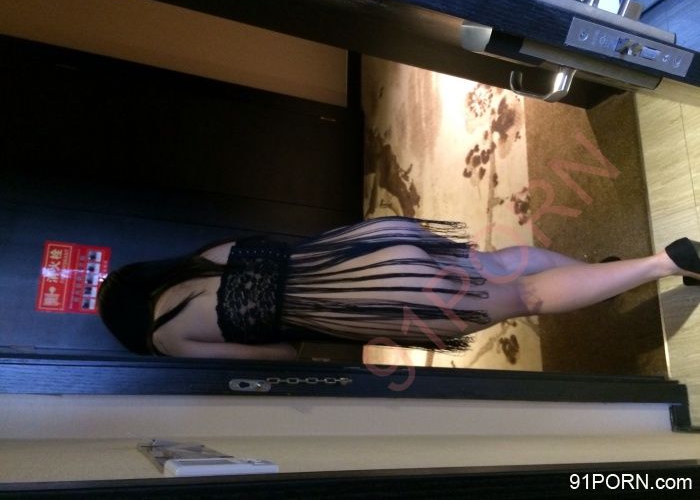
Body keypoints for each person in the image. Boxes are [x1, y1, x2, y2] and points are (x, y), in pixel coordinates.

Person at [97, 216, 700, 360]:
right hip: (373, 244)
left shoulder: (168, 337)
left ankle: (660, 264)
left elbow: (277, 353)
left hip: (380, 296)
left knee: (526, 299)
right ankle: (608, 275)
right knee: (496, 265)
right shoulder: (202, 258)